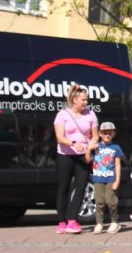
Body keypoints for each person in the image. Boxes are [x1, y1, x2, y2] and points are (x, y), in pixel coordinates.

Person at [52, 85, 98, 234]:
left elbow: (95, 135)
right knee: (63, 188)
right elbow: (59, 137)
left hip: (84, 155)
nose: (86, 102)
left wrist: (91, 145)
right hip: (65, 155)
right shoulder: (62, 115)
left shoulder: (91, 115)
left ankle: (72, 220)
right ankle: (61, 222)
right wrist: (73, 143)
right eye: (83, 100)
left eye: (87, 100)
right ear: (74, 100)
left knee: (81, 186)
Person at [90, 121, 124, 234]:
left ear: (113, 134)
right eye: (105, 133)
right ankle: (99, 223)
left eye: (110, 133)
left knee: (111, 201)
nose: (107, 135)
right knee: (99, 201)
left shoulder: (116, 148)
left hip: (111, 178)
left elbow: (118, 165)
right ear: (100, 134)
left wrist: (117, 180)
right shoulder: (96, 147)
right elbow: (88, 159)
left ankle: (115, 222)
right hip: (98, 178)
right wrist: (89, 148)